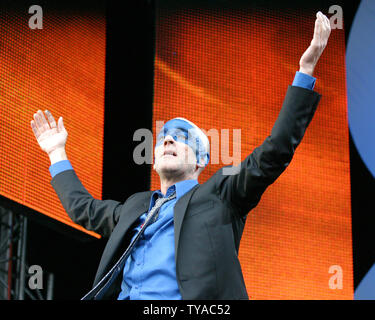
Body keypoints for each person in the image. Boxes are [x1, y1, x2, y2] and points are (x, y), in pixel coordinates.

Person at [30, 12, 331, 300]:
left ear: (201, 161)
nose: (169, 138)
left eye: (182, 136)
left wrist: (305, 71)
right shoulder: (136, 205)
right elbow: (85, 210)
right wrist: (57, 152)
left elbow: (274, 152)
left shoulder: (221, 193)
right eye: (162, 137)